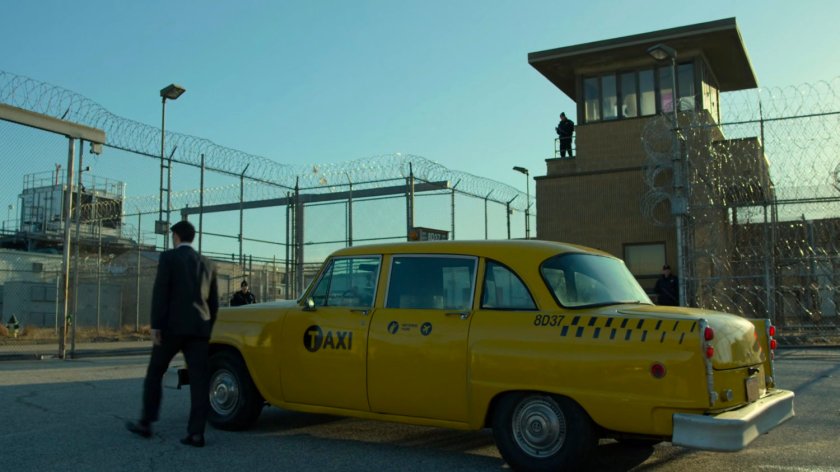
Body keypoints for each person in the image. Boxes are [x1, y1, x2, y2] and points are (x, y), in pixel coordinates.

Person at [126, 220, 219, 448]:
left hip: (172, 328)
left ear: (176, 236)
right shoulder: (207, 264)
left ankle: (146, 422)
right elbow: (214, 303)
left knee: (155, 372)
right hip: (199, 329)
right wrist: (208, 329)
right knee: (199, 381)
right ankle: (196, 433)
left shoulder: (169, 258)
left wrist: (156, 325)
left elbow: (161, 291)